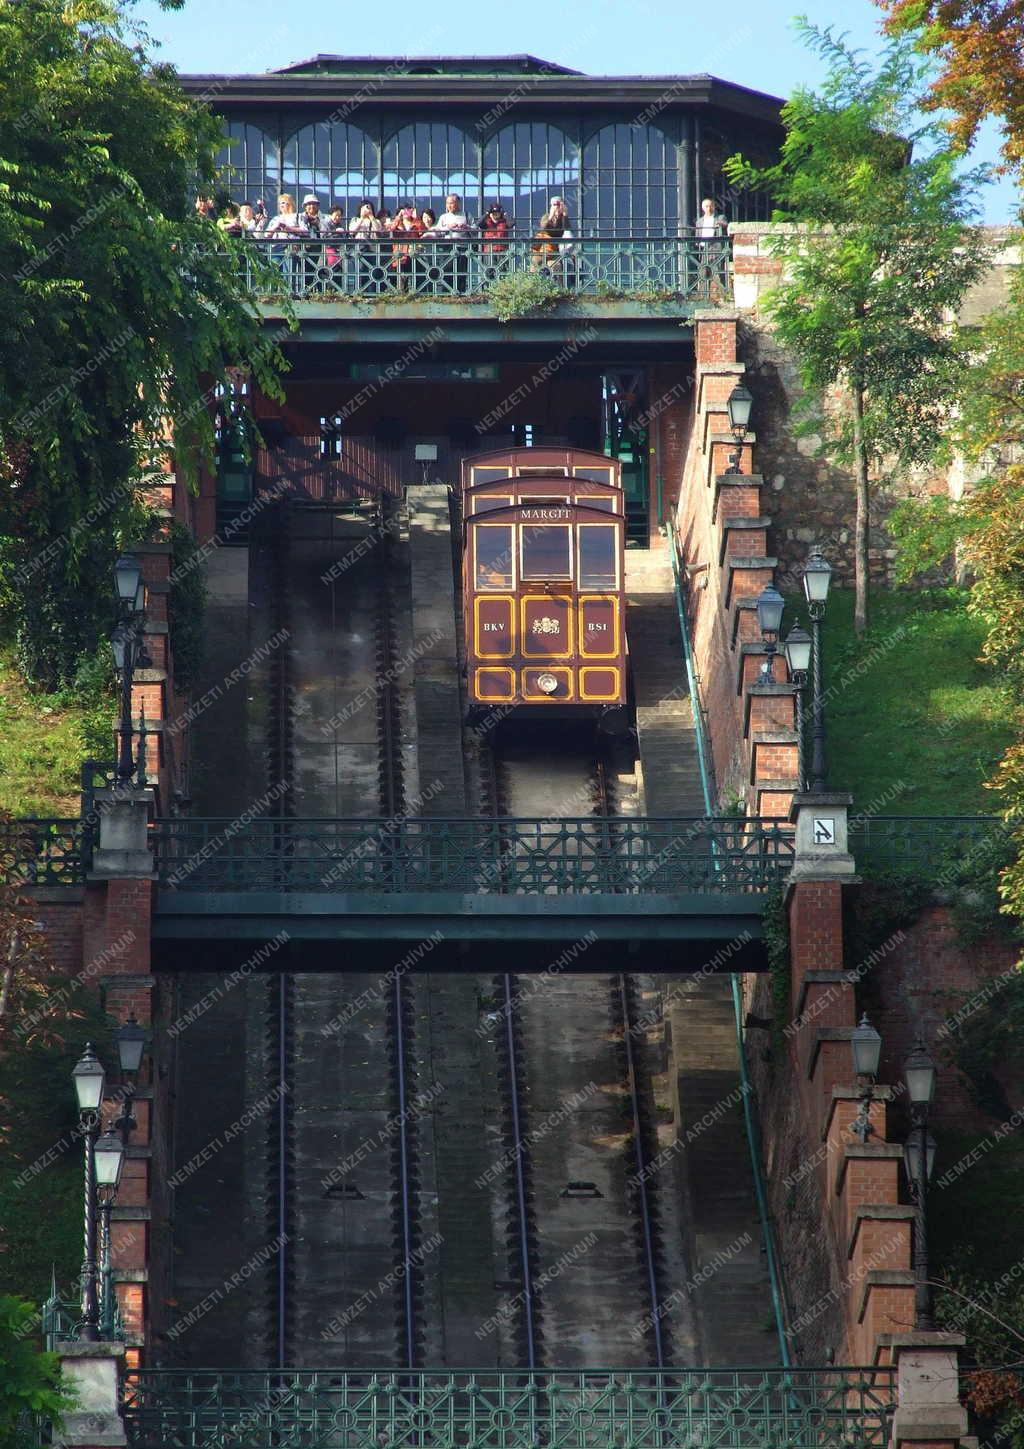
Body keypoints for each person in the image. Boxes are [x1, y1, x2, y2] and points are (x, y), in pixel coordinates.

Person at [429, 194, 475, 293]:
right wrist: (448, 227)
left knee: (461, 273)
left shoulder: (466, 215)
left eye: (452, 203)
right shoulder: (443, 217)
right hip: (447, 248)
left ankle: (461, 294)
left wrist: (467, 227)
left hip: (463, 248)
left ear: (458, 203)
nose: (449, 205)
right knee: (446, 272)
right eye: (447, 203)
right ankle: (446, 294)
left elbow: (476, 230)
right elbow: (437, 232)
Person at [531, 196, 573, 274]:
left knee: (555, 265)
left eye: (558, 204)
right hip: (542, 250)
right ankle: (533, 283)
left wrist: (565, 214)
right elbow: (544, 229)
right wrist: (551, 216)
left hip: (556, 252)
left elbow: (566, 230)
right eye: (554, 204)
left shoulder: (563, 218)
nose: (557, 207)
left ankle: (558, 286)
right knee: (535, 261)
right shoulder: (546, 217)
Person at [696, 197, 727, 296]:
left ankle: (725, 295)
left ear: (713, 207)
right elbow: (697, 236)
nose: (709, 208)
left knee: (720, 273)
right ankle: (704, 297)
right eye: (706, 206)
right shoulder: (699, 221)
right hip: (705, 249)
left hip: (717, 249)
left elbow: (726, 224)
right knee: (704, 273)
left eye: (710, 206)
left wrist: (720, 224)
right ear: (703, 208)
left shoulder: (720, 217)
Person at [389, 204, 423, 289]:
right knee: (400, 282)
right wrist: (398, 217)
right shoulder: (397, 224)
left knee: (413, 281)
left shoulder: (416, 223)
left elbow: (422, 230)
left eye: (409, 210)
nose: (406, 212)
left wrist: (416, 218)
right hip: (400, 255)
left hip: (413, 255)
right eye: (404, 210)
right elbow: (390, 230)